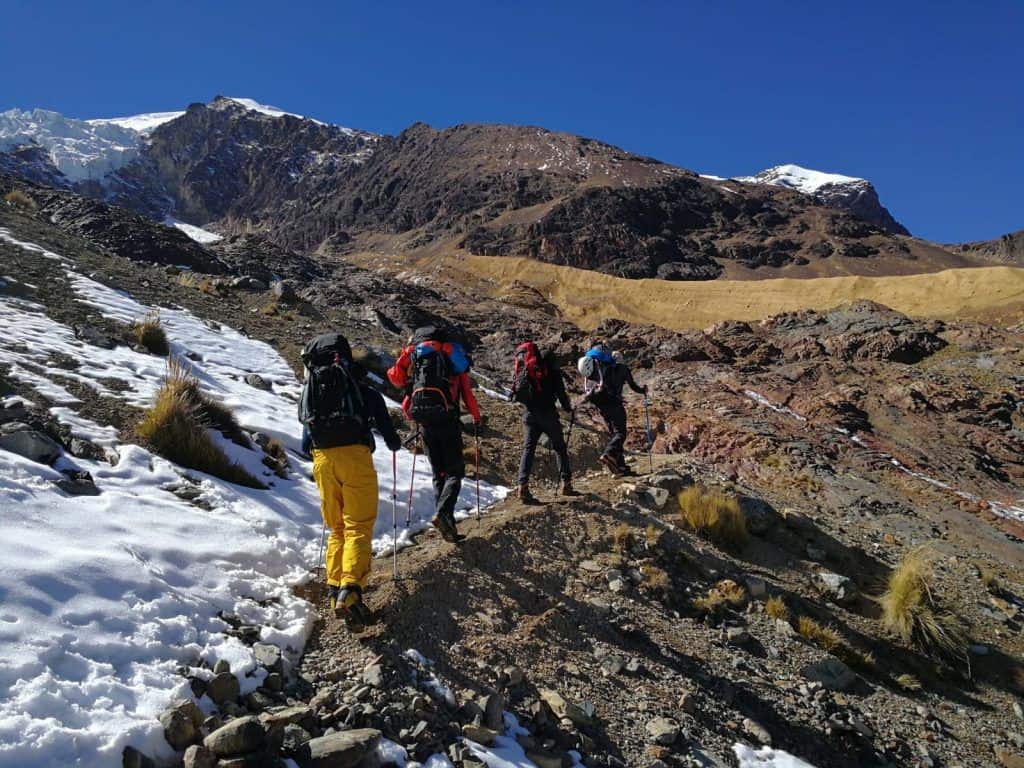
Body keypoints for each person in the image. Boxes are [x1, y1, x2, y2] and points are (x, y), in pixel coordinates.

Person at [299, 332, 402, 628]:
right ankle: (352, 589)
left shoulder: (311, 392)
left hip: (323, 462)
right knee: (358, 526)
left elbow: (306, 443)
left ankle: (335, 590)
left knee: (337, 528)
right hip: (355, 459)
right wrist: (393, 441)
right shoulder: (362, 390)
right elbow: (390, 435)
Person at [387, 325, 481, 542]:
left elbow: (395, 379)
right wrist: (475, 417)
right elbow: (466, 392)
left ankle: (447, 525)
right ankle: (443, 514)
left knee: (438, 473)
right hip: (447, 419)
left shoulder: (416, 359)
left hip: (424, 422)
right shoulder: (449, 358)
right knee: (455, 472)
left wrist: (406, 355)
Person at [509, 341, 578, 503]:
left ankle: (522, 487)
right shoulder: (553, 372)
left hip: (529, 414)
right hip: (548, 414)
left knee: (528, 449)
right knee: (559, 447)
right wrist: (569, 409)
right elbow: (561, 395)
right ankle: (566, 484)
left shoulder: (527, 369)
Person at [577, 344, 647, 475]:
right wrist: (643, 390)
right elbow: (633, 386)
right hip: (615, 404)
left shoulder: (600, 369)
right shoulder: (622, 369)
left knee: (615, 434)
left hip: (602, 407)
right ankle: (608, 454)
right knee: (620, 433)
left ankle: (620, 467)